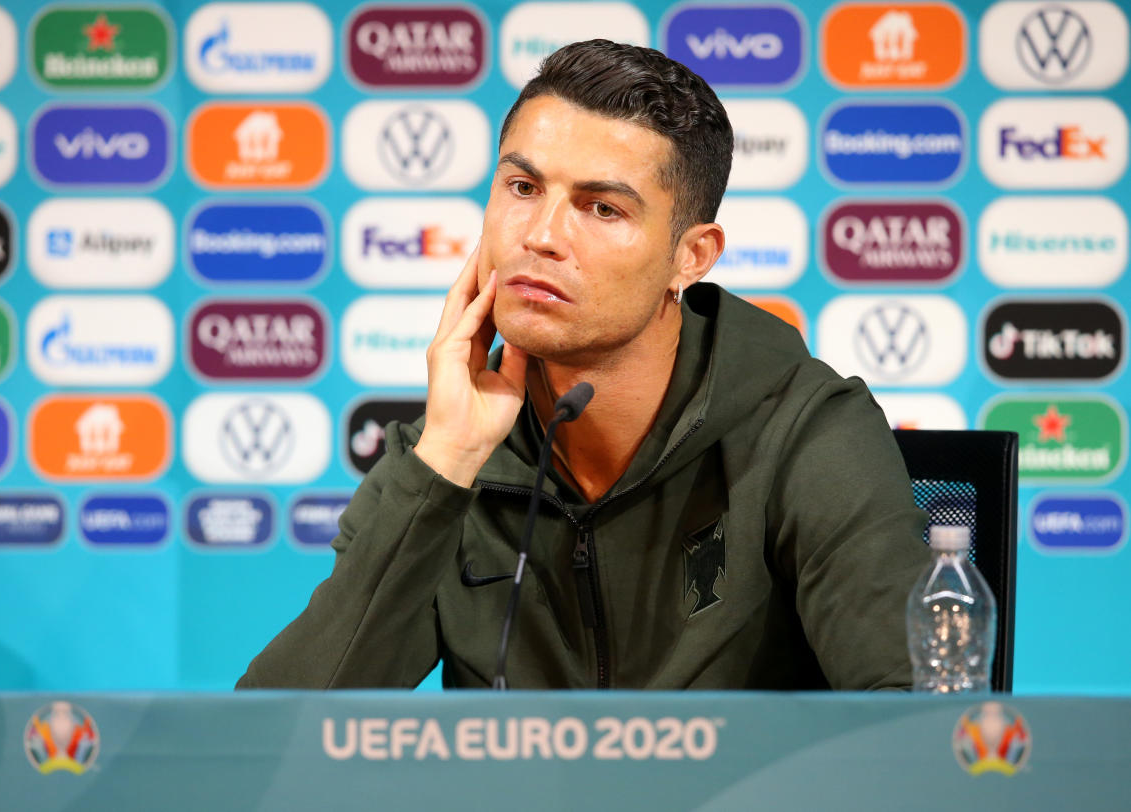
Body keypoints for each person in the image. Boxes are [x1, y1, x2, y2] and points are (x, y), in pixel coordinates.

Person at [237, 40, 930, 691]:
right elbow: (272, 740)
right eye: (522, 188)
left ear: (691, 257)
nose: (541, 237)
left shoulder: (806, 434)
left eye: (601, 208)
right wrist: (447, 464)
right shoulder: (444, 457)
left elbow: (912, 734)